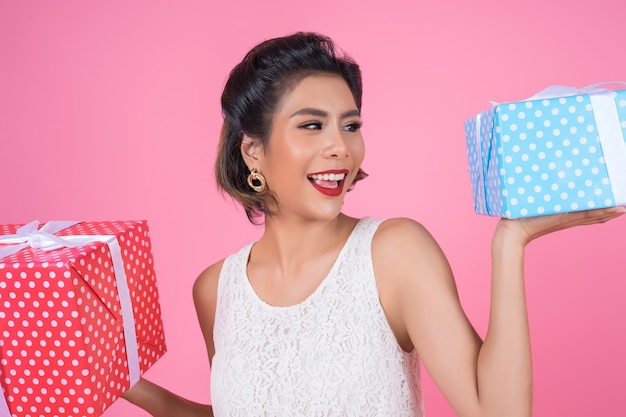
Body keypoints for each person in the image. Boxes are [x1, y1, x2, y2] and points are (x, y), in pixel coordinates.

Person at [121, 32, 625, 417]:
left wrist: (511, 240)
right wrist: (137, 390)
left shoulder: (393, 252)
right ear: (252, 149)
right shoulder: (215, 289)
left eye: (351, 124)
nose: (341, 145)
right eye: (312, 125)